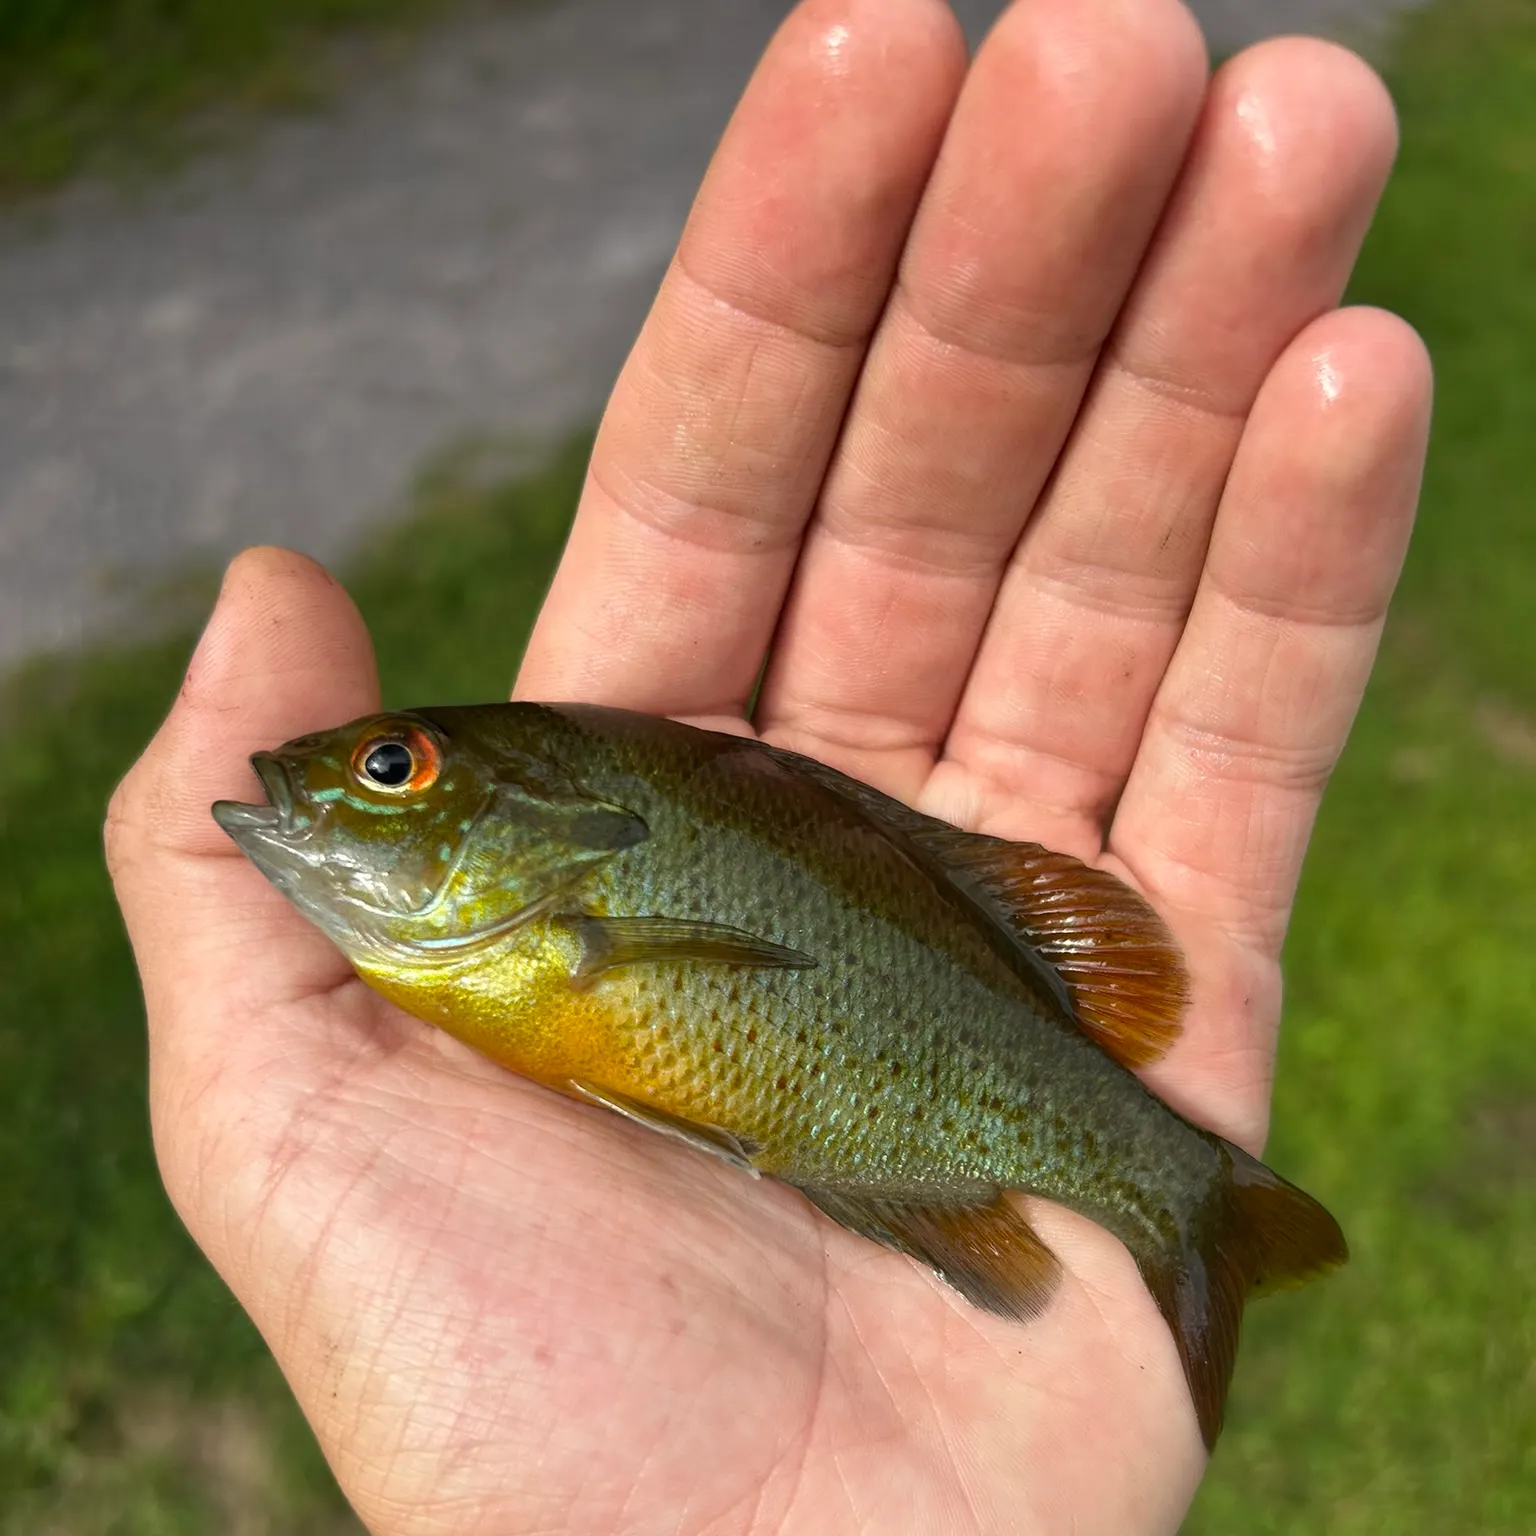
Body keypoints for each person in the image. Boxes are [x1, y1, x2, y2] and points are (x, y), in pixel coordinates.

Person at [104, 0, 1431, 1530]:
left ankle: (1185, 1199)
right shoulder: (516, 949)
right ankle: (1183, 1199)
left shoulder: (536, 940)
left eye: (394, 770)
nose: (345, 784)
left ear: (548, 840)